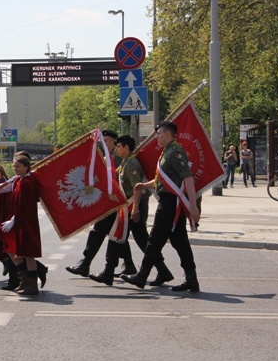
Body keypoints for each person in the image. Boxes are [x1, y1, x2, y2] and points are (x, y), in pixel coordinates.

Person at [121, 121, 201, 292]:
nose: (156, 137)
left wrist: (193, 207)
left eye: (158, 134)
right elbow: (160, 181)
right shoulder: (166, 153)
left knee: (155, 239)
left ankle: (142, 275)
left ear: (167, 134)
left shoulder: (175, 152)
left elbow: (188, 179)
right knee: (180, 242)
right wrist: (143, 185)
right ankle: (191, 279)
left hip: (171, 203)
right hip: (168, 200)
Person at [89, 135, 173, 286]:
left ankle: (108, 272)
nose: (117, 149)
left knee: (116, 237)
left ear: (126, 147)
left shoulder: (131, 164)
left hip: (132, 206)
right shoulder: (126, 163)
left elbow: (137, 187)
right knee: (142, 240)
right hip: (128, 207)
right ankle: (163, 270)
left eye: (119, 146)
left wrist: (134, 209)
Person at [66, 130, 133, 278]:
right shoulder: (105, 158)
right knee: (113, 234)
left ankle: (87, 264)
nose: (105, 143)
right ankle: (128, 264)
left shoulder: (117, 158)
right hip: (108, 202)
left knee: (101, 233)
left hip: (115, 202)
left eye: (108, 140)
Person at [0, 154, 43, 295]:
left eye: (18, 166)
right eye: (14, 166)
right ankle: (24, 280)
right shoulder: (20, 181)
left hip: (26, 221)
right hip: (18, 219)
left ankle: (32, 284)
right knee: (13, 249)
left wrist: (15, 219)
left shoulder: (27, 183)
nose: (15, 169)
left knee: (28, 254)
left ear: (26, 166)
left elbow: (26, 205)